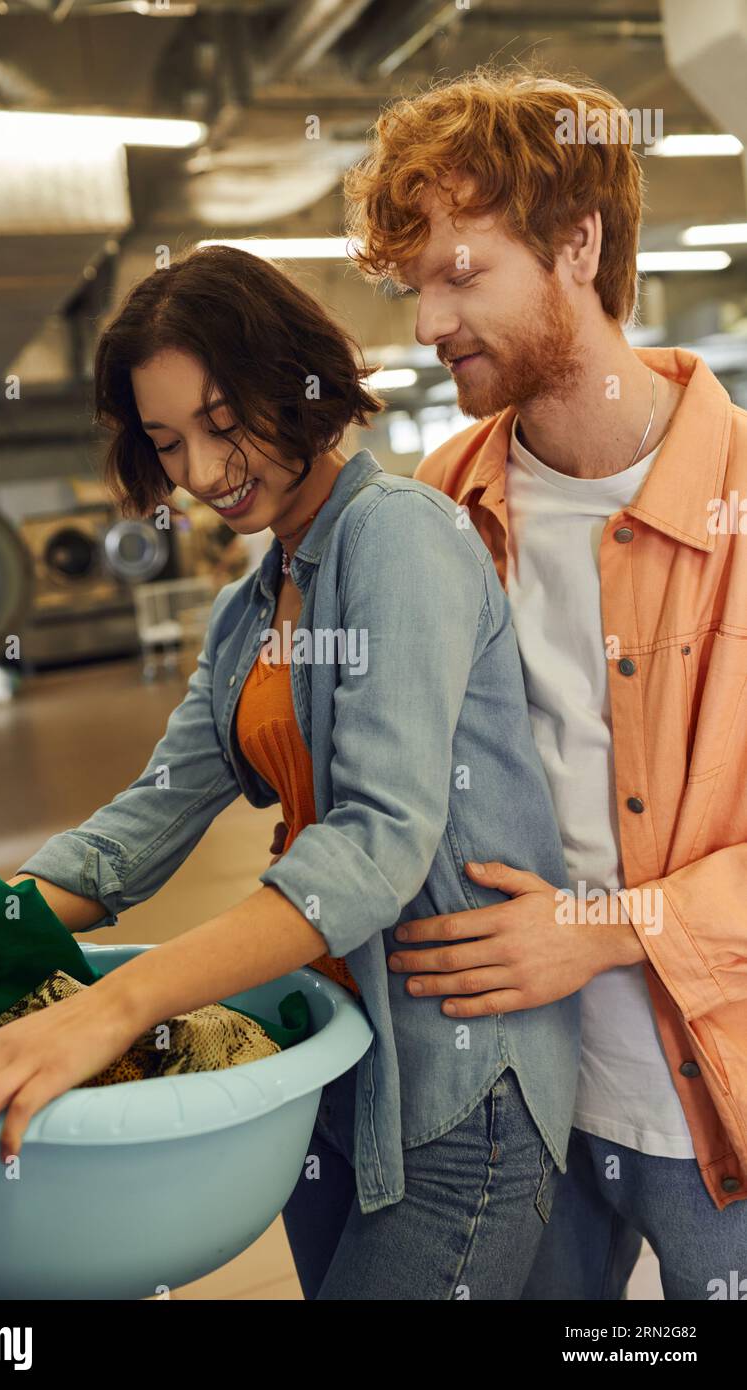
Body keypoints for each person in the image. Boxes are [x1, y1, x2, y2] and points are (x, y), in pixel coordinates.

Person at [0, 243, 580, 1300]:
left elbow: (373, 847)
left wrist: (110, 1009)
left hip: (457, 1081)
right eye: (168, 442)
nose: (202, 472)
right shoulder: (247, 611)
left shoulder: (397, 538)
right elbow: (146, 820)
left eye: (224, 422)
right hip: (336, 1060)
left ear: (291, 376)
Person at [342, 65, 747, 1300]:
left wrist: (598, 932)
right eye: (415, 284)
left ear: (578, 244)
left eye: (460, 275)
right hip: (522, 1109)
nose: (423, 324)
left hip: (713, 1113)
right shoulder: (436, 502)